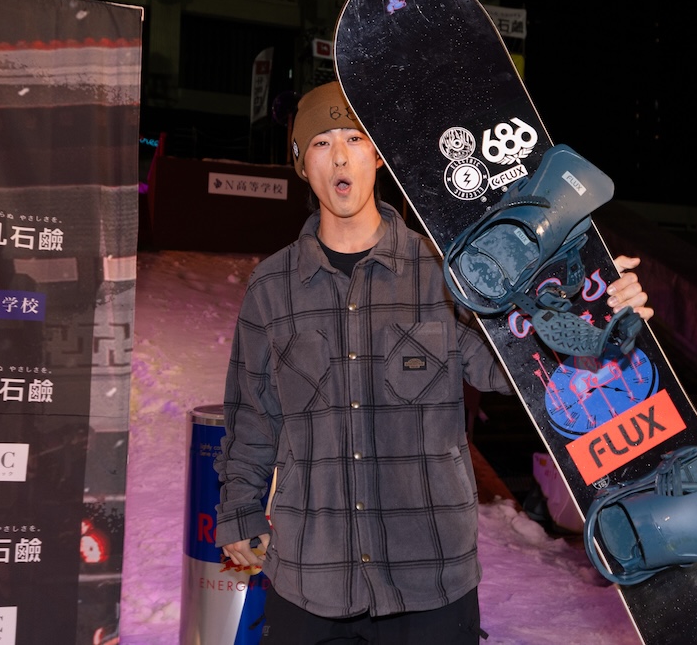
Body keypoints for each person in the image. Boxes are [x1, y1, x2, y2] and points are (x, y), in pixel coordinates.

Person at [213, 81, 653, 644]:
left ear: (378, 155)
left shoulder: (445, 273)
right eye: (322, 143)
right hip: (311, 577)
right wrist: (240, 510)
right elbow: (252, 415)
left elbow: (512, 366)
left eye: (354, 138)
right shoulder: (271, 287)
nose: (341, 156)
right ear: (301, 163)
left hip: (431, 579)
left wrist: (597, 312)